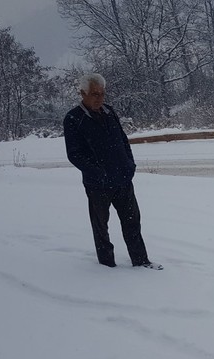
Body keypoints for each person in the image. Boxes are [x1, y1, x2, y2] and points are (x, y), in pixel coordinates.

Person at [63, 73, 162, 270]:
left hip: (123, 179)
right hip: (98, 185)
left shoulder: (109, 111)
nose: (99, 98)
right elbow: (74, 154)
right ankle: (107, 267)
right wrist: (99, 173)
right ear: (82, 93)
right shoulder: (74, 118)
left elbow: (123, 141)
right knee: (101, 228)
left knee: (133, 223)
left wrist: (129, 165)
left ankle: (141, 261)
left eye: (102, 93)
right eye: (94, 94)